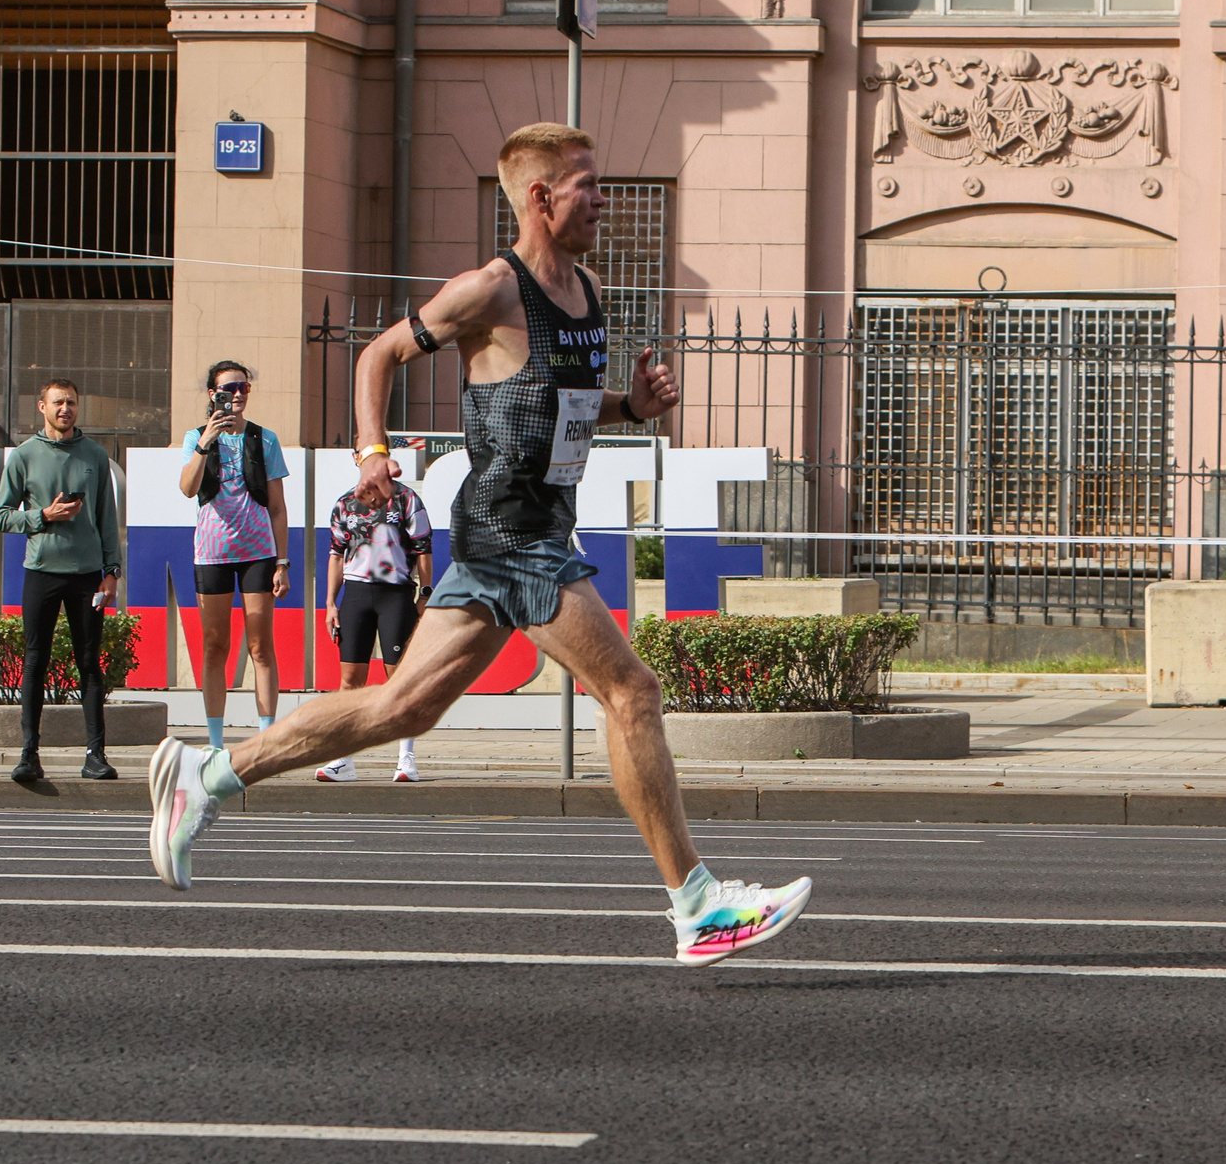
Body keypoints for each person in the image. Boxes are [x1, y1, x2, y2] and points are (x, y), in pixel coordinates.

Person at [149, 124, 813, 966]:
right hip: (516, 536)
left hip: (514, 532)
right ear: (540, 198)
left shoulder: (589, 292)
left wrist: (632, 409)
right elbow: (379, 355)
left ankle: (204, 780)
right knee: (632, 691)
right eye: (587, 185)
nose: (604, 200)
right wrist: (372, 450)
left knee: (404, 708)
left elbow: (564, 407)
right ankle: (698, 904)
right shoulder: (490, 290)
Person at [0, 378, 123, 783]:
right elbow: (1, 517)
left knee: (89, 664)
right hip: (41, 572)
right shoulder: (24, 455)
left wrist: (112, 573)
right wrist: (42, 517)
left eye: (71, 402)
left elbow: (107, 517)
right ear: (41, 407)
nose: (65, 408)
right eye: (58, 402)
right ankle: (29, 754)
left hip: (87, 578)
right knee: (35, 661)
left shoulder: (95, 456)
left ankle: (95, 755)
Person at [175, 361, 291, 749]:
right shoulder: (196, 437)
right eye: (229, 388)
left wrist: (282, 561)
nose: (238, 394)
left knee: (261, 645)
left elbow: (277, 507)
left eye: (243, 387)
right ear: (213, 395)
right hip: (211, 553)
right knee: (214, 645)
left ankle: (265, 738)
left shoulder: (264, 438)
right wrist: (206, 442)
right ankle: (215, 742)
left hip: (258, 552)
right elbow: (188, 489)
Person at [314, 480, 433, 784]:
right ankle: (343, 760)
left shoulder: (406, 499)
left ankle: (406, 759)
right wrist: (330, 603)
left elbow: (423, 548)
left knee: (401, 680)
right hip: (355, 594)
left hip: (395, 594)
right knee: (350, 681)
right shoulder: (344, 503)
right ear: (357, 457)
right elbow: (336, 553)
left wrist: (425, 595)